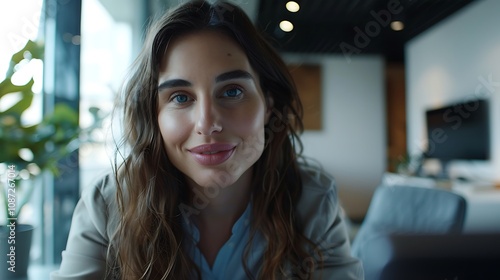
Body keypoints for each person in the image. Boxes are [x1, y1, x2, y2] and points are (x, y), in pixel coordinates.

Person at [51, 1, 364, 279]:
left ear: (268, 105)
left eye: (232, 91)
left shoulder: (312, 200)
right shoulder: (107, 204)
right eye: (180, 97)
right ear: (154, 114)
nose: (207, 123)